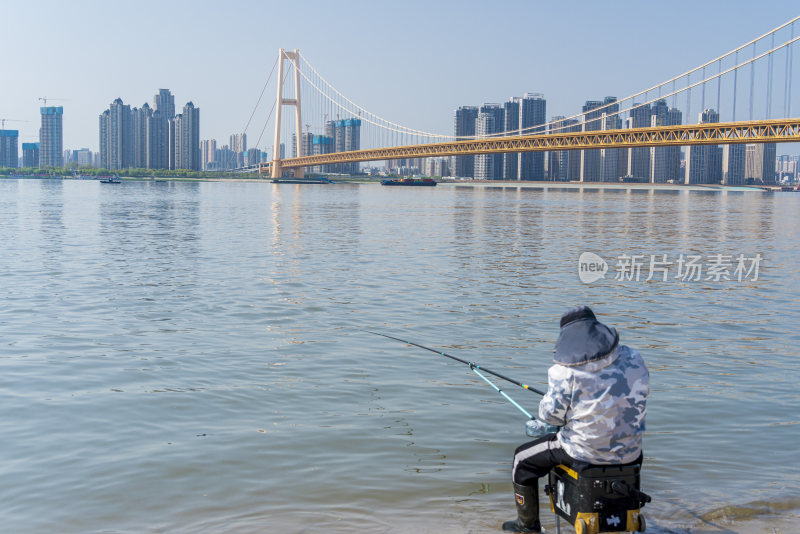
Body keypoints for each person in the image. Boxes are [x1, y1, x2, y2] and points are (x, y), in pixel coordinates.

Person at [502, 306, 649, 532]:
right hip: (632, 454)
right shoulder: (634, 358)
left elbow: (550, 416)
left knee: (522, 460)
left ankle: (527, 526)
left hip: (582, 454)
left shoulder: (563, 371)